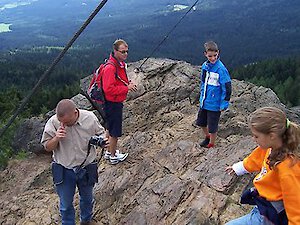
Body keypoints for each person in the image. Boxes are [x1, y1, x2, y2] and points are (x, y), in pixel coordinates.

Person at [225, 107, 300, 225]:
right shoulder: (270, 148)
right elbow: (255, 159)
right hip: (264, 204)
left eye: (256, 136)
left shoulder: (287, 168)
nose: (253, 139)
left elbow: (295, 201)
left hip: (271, 213)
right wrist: (238, 168)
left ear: (272, 135)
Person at [41, 99, 107, 225]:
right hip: (64, 169)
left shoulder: (90, 118)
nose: (63, 125)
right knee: (65, 205)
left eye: (67, 122)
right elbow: (47, 147)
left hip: (87, 166)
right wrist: (56, 138)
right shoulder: (53, 122)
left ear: (76, 113)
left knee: (88, 199)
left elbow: (101, 134)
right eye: (61, 122)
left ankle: (86, 221)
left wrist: (103, 141)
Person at [102, 39, 137, 164]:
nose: (125, 54)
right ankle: (113, 155)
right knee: (114, 131)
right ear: (115, 51)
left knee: (109, 127)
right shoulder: (111, 68)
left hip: (113, 102)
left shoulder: (118, 64)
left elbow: (118, 80)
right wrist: (126, 88)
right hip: (112, 102)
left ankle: (108, 151)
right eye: (122, 52)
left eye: (127, 51)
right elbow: (108, 89)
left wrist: (127, 83)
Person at [195, 41, 231, 148]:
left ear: (218, 53)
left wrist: (224, 104)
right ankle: (207, 137)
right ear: (205, 54)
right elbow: (203, 83)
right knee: (201, 122)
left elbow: (227, 87)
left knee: (212, 126)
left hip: (215, 104)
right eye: (210, 56)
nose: (213, 58)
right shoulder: (205, 67)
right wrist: (202, 96)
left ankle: (211, 143)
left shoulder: (221, 69)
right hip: (205, 101)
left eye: (215, 55)